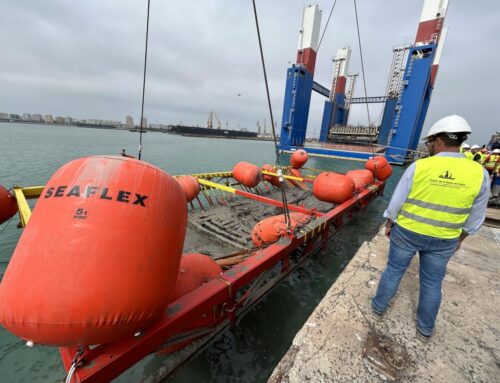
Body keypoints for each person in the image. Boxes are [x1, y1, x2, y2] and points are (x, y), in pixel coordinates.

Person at [371, 115, 490, 342]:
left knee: (394, 271)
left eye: (429, 142)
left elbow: (397, 201)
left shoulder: (420, 166)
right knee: (432, 283)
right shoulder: (479, 173)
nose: (429, 146)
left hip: (407, 232)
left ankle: (378, 309)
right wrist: (460, 239)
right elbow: (476, 217)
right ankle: (425, 330)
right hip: (445, 239)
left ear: (437, 140)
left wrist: (389, 223)